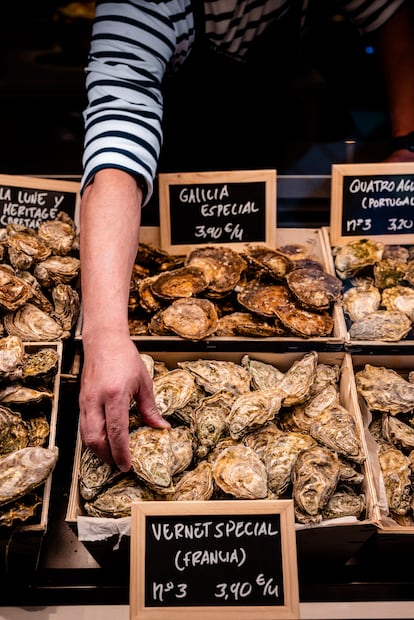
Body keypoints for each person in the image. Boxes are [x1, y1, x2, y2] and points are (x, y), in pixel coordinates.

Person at [79, 0, 414, 473]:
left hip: (273, 169)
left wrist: (408, 142)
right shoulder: (147, 2)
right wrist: (106, 334)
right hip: (171, 177)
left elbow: (390, 11)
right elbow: (117, 139)